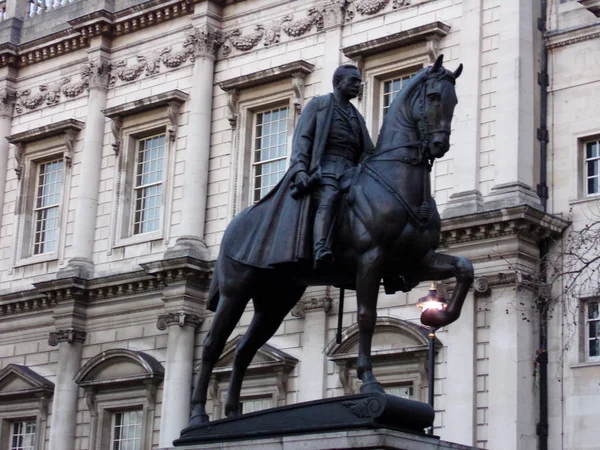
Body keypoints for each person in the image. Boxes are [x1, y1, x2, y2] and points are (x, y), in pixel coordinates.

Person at [226, 64, 373, 270]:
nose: (358, 85)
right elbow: (303, 138)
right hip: (326, 169)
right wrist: (300, 169)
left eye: (359, 81)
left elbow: (368, 149)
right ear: (338, 82)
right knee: (330, 196)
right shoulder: (320, 105)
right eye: (353, 81)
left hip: (352, 171)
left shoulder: (357, 117)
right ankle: (321, 246)